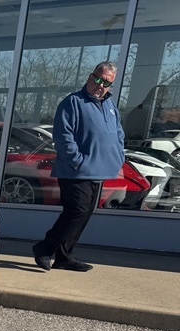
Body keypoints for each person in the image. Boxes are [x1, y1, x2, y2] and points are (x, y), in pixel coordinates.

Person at [32, 61, 125, 273]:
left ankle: (64, 256)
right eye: (98, 79)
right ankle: (44, 248)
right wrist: (78, 161)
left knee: (85, 212)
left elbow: (119, 133)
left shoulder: (111, 106)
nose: (101, 85)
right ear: (90, 77)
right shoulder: (72, 102)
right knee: (77, 210)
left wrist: (118, 155)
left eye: (107, 83)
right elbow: (63, 136)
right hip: (75, 170)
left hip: (99, 169)